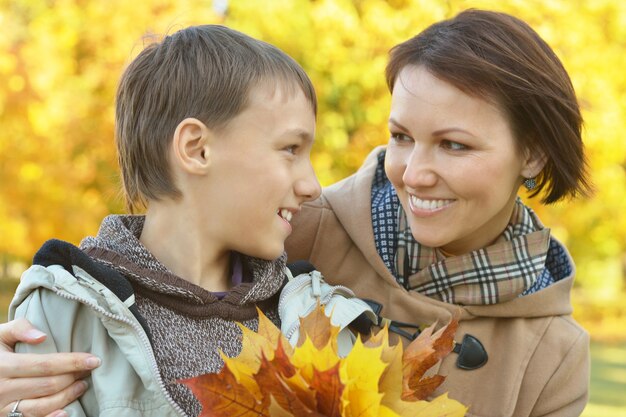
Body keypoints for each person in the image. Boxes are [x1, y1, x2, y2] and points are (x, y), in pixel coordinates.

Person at [0, 9, 591, 417]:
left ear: (532, 153)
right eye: (401, 136)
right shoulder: (295, 230)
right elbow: (152, 252)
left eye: (455, 145)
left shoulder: (553, 353)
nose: (413, 172)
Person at [1, 24, 321, 417]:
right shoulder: (65, 313)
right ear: (197, 149)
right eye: (291, 148)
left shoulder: (313, 319)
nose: (313, 185)